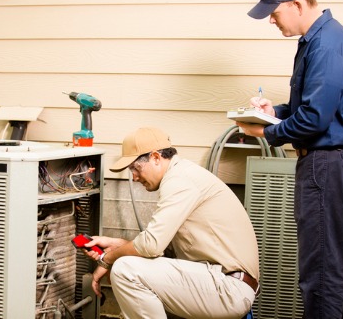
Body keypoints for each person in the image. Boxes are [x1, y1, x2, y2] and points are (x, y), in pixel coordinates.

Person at [238, 0, 343, 318]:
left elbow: (315, 119)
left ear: (298, 3)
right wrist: (275, 112)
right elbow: (314, 107)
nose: (271, 18)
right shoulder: (322, 39)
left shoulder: (326, 44)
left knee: (322, 273)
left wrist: (266, 132)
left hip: (330, 165)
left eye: (274, 10)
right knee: (337, 267)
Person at [83, 127, 260, 319]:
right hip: (218, 283)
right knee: (129, 274)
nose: (133, 177)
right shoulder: (182, 175)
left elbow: (151, 246)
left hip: (227, 287)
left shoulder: (179, 180)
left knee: (126, 271)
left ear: (156, 158)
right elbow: (157, 251)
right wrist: (119, 245)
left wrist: (108, 259)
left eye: (136, 168)